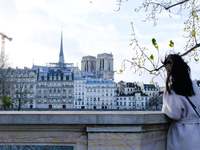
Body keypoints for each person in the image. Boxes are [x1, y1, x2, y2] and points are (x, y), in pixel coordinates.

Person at [162, 54, 200, 150]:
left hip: (181, 134)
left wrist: (165, 106)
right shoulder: (193, 85)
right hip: (196, 131)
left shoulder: (171, 87)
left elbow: (174, 114)